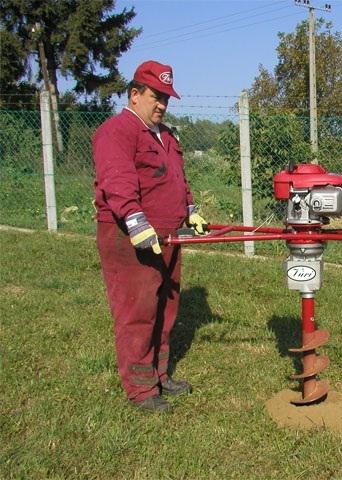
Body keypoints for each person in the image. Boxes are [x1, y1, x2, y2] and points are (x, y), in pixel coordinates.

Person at [92, 60, 209, 413]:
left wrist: (189, 209)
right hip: (129, 236)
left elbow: (175, 180)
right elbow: (117, 180)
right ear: (134, 94)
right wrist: (135, 222)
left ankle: (159, 375)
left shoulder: (166, 136)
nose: (161, 104)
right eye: (156, 97)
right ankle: (141, 390)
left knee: (166, 308)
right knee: (137, 311)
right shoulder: (118, 131)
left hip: (169, 235)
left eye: (167, 99)